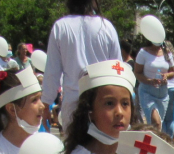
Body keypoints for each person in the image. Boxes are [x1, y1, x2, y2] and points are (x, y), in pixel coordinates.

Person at [41, 0, 122, 131]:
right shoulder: (106, 27)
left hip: (73, 103)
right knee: (102, 148)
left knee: (73, 149)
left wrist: (46, 103)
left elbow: (52, 72)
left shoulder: (60, 26)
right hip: (102, 102)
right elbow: (118, 69)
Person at [135, 39, 174, 129]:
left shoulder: (167, 53)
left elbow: (173, 72)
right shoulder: (143, 52)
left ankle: (153, 141)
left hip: (163, 93)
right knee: (156, 122)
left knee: (158, 125)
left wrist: (166, 75)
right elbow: (137, 73)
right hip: (147, 92)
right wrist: (150, 81)